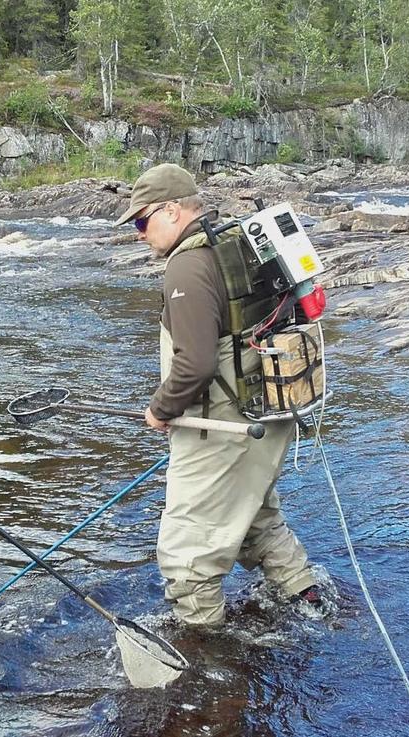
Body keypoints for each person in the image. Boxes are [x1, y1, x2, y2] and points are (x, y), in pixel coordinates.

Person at [113, 163, 321, 627]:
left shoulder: (187, 266)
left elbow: (195, 365)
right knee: (255, 520)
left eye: (141, 221)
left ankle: (206, 659)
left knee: (187, 556)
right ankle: (312, 601)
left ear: (170, 211)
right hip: (269, 412)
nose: (139, 233)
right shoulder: (232, 247)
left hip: (221, 426)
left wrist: (160, 410)